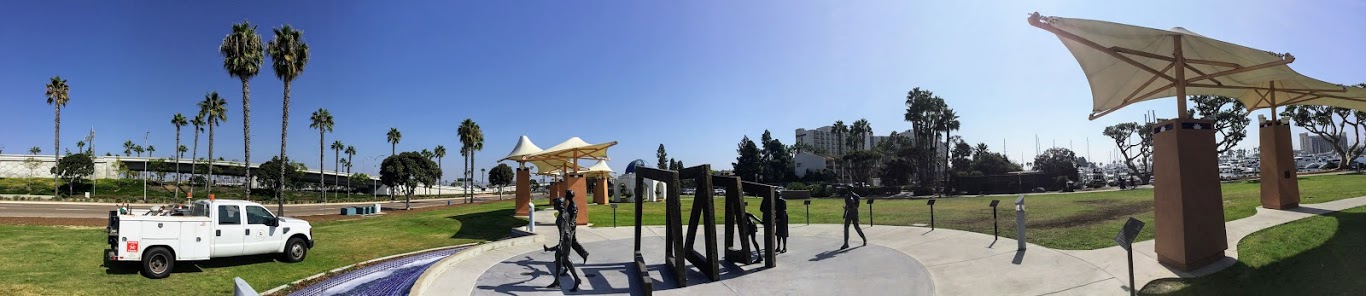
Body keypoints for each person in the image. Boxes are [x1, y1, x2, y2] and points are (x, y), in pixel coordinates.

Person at [545, 190, 583, 291]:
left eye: (555, 204)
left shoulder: (562, 216)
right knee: (558, 257)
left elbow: (562, 231)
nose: (553, 205)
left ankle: (577, 279)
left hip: (565, 239)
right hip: (566, 237)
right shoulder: (565, 213)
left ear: (560, 205)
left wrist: (560, 243)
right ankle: (557, 280)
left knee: (566, 259)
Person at [543, 198, 589, 264]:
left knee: (566, 245)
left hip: (570, 228)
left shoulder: (571, 207)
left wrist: (568, 227)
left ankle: (564, 260)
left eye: (555, 204)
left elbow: (572, 217)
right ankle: (582, 254)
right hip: (568, 228)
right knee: (570, 244)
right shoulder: (566, 209)